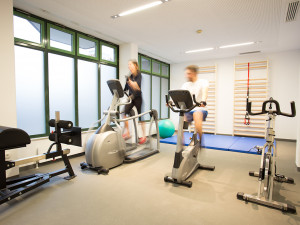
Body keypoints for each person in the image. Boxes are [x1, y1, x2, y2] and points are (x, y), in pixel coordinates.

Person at [181, 65, 209, 143]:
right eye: (186, 73)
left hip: (200, 108)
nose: (186, 76)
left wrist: (203, 101)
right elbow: (180, 95)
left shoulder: (203, 82)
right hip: (189, 110)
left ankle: (200, 142)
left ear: (194, 73)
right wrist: (171, 102)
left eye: (188, 73)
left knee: (196, 116)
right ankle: (180, 147)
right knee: (182, 125)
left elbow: (204, 92)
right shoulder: (185, 85)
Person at [123, 59, 146, 144]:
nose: (129, 66)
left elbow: (138, 88)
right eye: (128, 65)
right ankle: (128, 133)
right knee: (124, 113)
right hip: (131, 98)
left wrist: (131, 83)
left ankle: (144, 136)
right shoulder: (130, 76)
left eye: (131, 65)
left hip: (138, 98)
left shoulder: (139, 75)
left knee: (140, 117)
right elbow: (125, 88)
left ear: (136, 66)